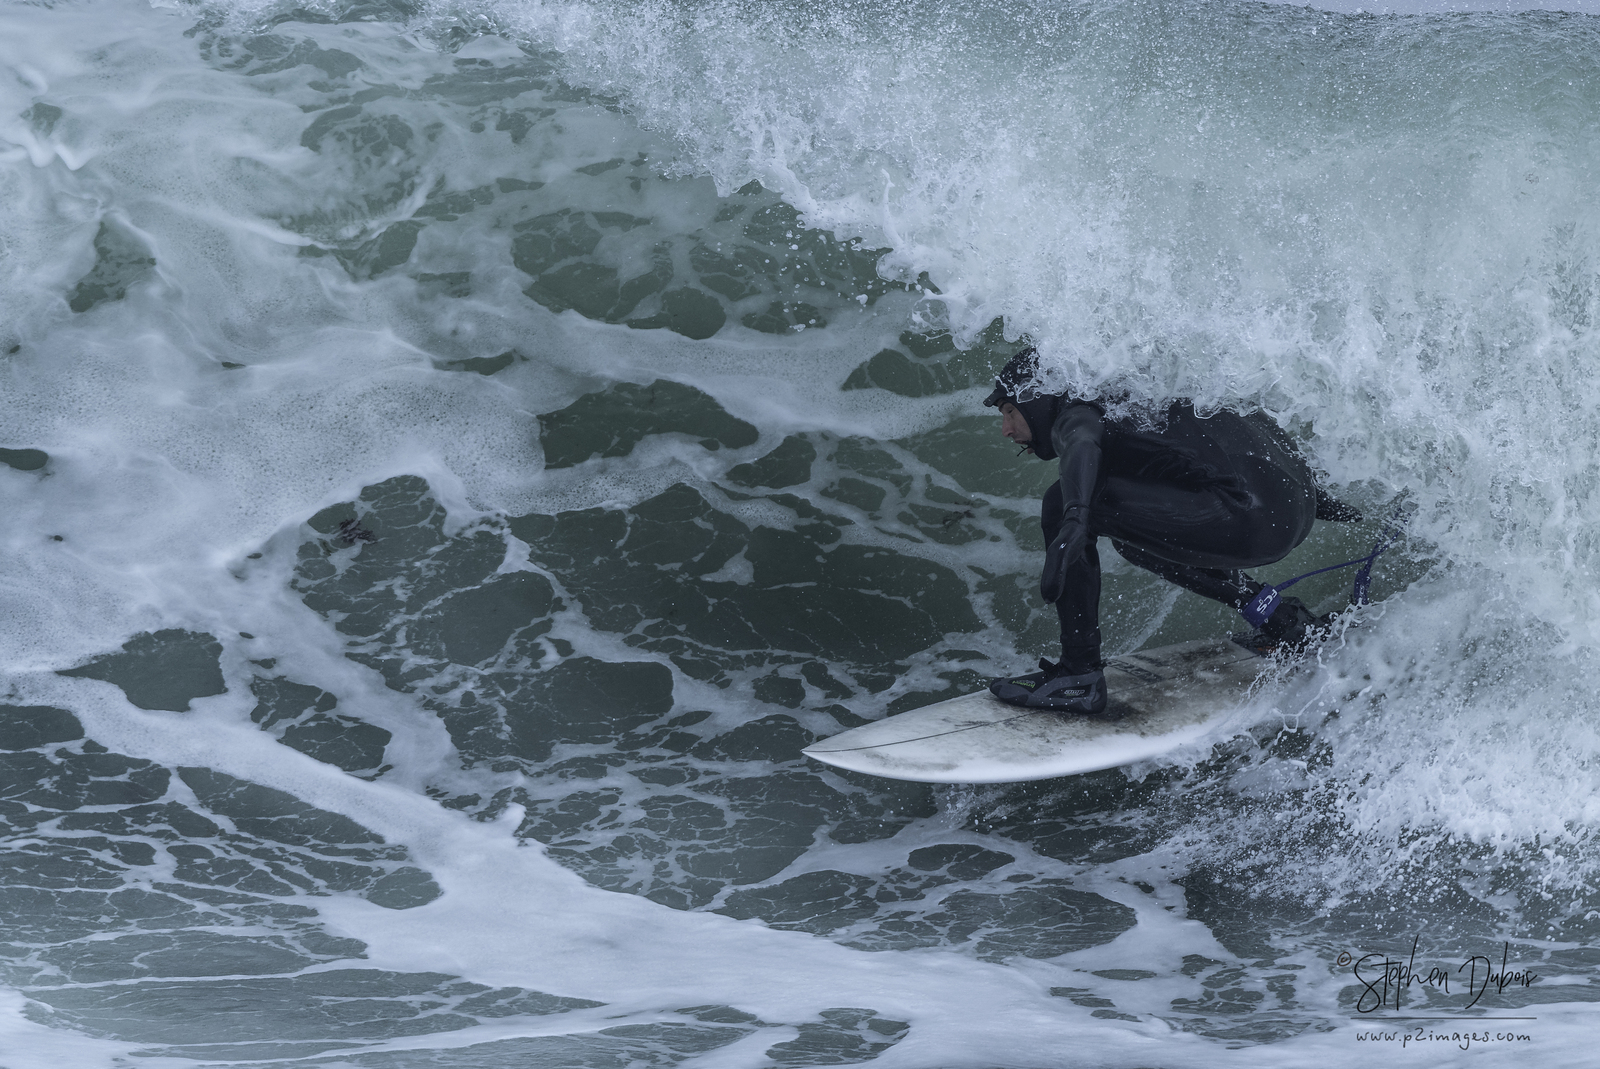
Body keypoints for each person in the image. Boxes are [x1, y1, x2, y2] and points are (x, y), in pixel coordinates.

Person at [984, 348, 1357, 716]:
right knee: (1135, 540)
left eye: (1010, 411)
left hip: (1248, 519)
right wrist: (1325, 506)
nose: (1006, 430)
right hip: (1296, 508)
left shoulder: (1077, 410)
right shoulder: (1148, 387)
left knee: (1059, 499)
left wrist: (1074, 519)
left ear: (1039, 398)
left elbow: (1080, 440)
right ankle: (1281, 619)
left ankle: (1078, 675)